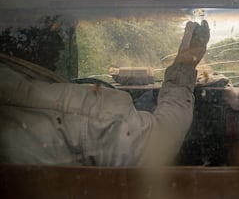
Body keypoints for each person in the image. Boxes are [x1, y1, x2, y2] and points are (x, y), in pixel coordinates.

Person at [0, 20, 210, 166]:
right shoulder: (87, 110)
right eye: (56, 28)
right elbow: (161, 140)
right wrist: (185, 63)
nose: (60, 41)